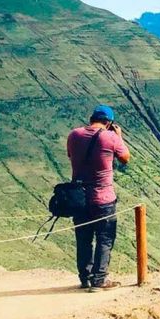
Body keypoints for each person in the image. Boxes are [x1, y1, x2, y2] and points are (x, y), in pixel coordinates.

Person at [67, 104, 130, 292]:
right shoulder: (110, 137)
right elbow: (125, 158)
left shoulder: (74, 135)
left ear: (91, 118)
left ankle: (85, 278)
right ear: (109, 122)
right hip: (103, 198)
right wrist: (118, 137)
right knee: (105, 238)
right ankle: (99, 280)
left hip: (78, 198)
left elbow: (71, 155)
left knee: (83, 238)